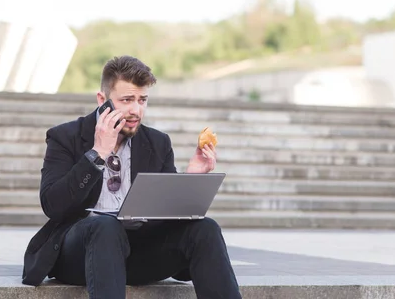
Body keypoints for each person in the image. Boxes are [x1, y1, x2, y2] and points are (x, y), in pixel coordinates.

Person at [22, 55, 242, 299]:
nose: (136, 110)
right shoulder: (66, 137)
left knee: (206, 228)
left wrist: (189, 179)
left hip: (137, 252)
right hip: (81, 254)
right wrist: (97, 154)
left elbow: (165, 215)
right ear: (102, 100)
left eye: (142, 100)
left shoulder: (157, 142)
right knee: (106, 226)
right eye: (126, 100)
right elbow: (53, 205)